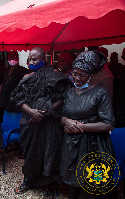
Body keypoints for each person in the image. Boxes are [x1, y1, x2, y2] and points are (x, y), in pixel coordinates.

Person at [11, 47, 72, 194]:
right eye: (30, 59)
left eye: (34, 59)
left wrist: (46, 111)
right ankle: (29, 180)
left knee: (48, 152)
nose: (31, 61)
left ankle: (48, 185)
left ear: (43, 59)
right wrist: (31, 111)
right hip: (29, 121)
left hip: (48, 123)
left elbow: (63, 96)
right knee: (30, 153)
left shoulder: (54, 75)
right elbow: (17, 98)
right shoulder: (27, 77)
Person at [60, 50, 115, 198]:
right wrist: (67, 121)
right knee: (73, 183)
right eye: (74, 74)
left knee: (91, 186)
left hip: (93, 145)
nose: (77, 78)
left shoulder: (99, 93)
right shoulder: (70, 92)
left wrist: (78, 127)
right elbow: (62, 115)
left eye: (82, 75)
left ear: (90, 75)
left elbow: (108, 124)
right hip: (72, 144)